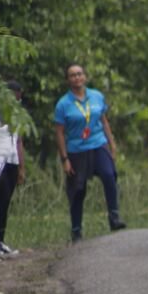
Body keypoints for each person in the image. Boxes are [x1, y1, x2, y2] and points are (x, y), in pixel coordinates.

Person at [54, 63, 126, 242]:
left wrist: (112, 145)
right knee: (78, 190)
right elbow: (59, 133)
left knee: (109, 175)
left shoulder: (96, 96)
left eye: (79, 74)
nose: (77, 78)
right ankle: (76, 230)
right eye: (72, 75)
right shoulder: (63, 104)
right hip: (77, 150)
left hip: (98, 144)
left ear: (84, 76)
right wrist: (65, 159)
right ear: (68, 80)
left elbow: (104, 121)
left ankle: (114, 216)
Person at [0, 80, 27, 255]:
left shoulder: (17, 117)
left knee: (6, 201)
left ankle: (0, 239)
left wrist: (22, 168)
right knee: (2, 197)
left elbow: (19, 141)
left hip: (12, 162)